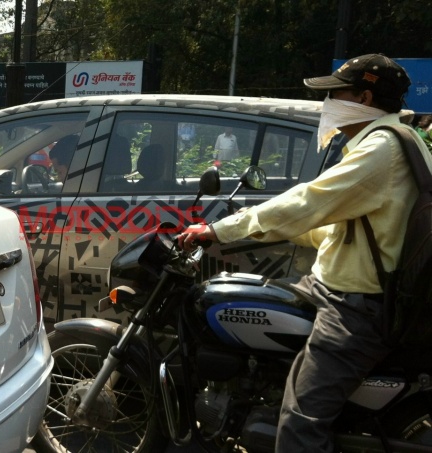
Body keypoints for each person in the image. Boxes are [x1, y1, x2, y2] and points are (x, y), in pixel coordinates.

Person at [178, 54, 432, 452]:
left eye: (337, 95)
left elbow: (308, 200)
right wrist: (274, 234)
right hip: (334, 289)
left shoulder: (383, 149)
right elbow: (345, 228)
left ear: (364, 98)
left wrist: (219, 229)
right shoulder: (399, 139)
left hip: (354, 309)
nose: (328, 105)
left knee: (298, 428)